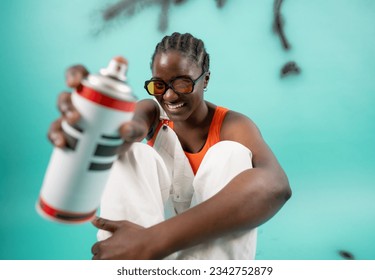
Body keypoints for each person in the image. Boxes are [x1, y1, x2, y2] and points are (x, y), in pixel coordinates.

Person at [48, 32, 291, 260]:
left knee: (230, 153)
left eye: (183, 83)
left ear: (205, 79)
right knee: (130, 153)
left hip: (193, 253)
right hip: (153, 252)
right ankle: (126, 264)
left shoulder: (233, 125)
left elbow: (277, 186)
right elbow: (130, 126)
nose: (169, 97)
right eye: (159, 85)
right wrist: (103, 133)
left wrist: (151, 242)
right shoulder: (152, 112)